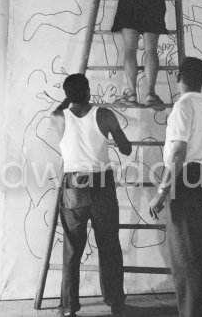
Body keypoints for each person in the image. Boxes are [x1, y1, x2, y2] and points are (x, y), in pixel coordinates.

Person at [50, 74, 132, 317]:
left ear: (67, 95)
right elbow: (126, 149)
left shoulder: (58, 118)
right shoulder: (104, 114)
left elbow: (60, 108)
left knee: (72, 250)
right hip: (102, 185)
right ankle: (116, 303)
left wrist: (70, 99)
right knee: (109, 247)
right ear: (88, 91)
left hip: (74, 184)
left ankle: (68, 308)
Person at [148, 57, 202, 317]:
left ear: (179, 77)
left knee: (185, 254)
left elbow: (178, 153)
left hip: (186, 179)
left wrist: (161, 192)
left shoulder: (182, 107)